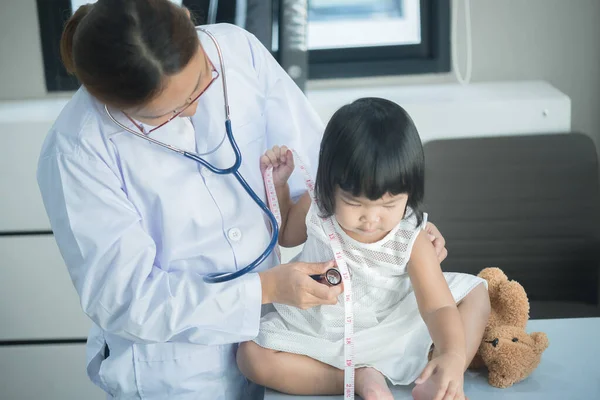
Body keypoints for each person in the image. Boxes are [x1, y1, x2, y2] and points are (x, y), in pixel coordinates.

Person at [36, 1, 448, 398]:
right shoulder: (76, 151)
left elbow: (325, 174)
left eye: (201, 83)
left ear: (187, 21)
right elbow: (128, 300)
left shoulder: (236, 50)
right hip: (179, 375)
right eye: (162, 115)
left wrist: (392, 236)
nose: (194, 110)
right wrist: (262, 290)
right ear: (111, 103)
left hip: (289, 343)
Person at [237, 98, 491, 400]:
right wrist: (279, 187)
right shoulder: (318, 206)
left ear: (410, 193)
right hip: (321, 325)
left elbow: (437, 307)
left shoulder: (411, 238)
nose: (371, 218)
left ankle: (444, 371)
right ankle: (356, 378)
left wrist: (452, 352)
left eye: (389, 205)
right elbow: (288, 235)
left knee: (477, 293)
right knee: (250, 356)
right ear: (330, 187)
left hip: (389, 326)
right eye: (354, 203)